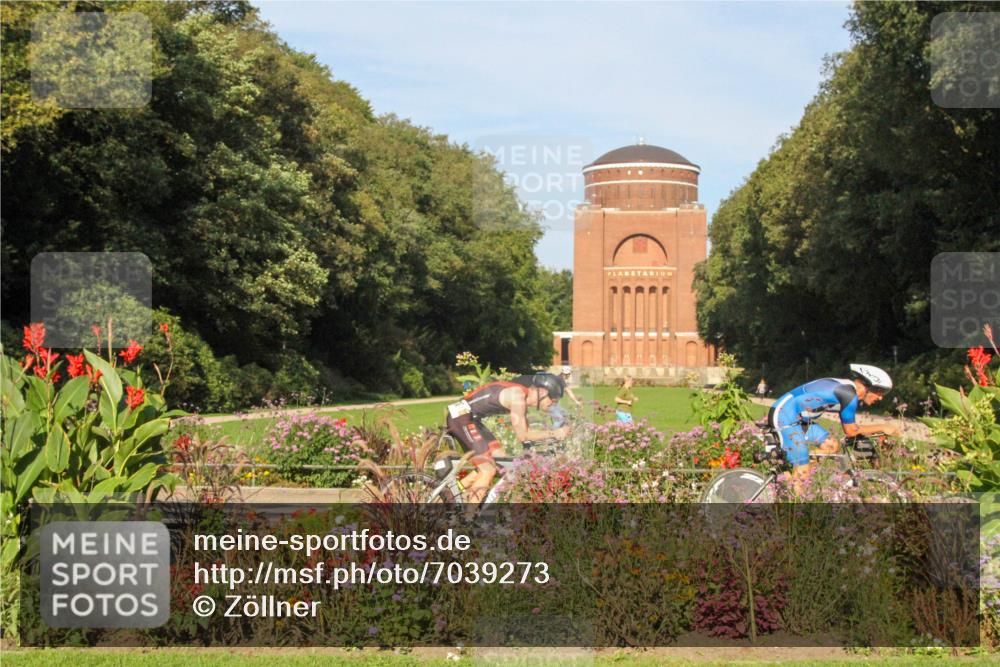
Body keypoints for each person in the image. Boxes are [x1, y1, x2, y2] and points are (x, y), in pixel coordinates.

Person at [768, 364, 899, 493]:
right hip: (785, 415)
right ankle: (793, 503)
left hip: (798, 419)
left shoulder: (847, 389)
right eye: (880, 392)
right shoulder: (848, 394)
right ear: (868, 386)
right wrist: (882, 427)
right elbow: (851, 430)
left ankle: (791, 478)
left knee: (831, 446)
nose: (881, 397)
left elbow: (851, 429)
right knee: (802, 472)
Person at [446, 373, 569, 502]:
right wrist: (555, 433)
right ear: (543, 391)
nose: (553, 404)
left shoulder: (522, 396)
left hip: (471, 419)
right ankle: (467, 519)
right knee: (487, 470)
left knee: (500, 462)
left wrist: (552, 436)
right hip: (461, 417)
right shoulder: (518, 397)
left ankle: (453, 490)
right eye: (553, 400)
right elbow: (523, 436)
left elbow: (527, 434)